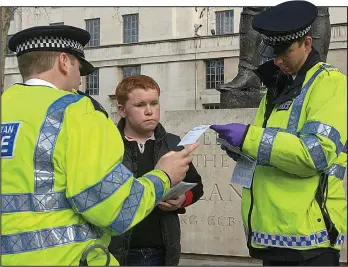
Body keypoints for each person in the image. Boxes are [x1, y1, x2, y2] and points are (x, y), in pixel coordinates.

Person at [1, 25, 199, 266]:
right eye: (79, 68)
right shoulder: (77, 112)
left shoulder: (7, 106)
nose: (79, 79)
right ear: (64, 61)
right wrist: (163, 176)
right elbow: (115, 210)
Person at [210, 1, 347, 266]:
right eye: (273, 52)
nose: (277, 60)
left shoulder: (330, 82)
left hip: (310, 238)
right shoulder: (276, 88)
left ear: (307, 44)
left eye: (286, 51)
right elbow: (272, 150)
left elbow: (315, 154)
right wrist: (240, 150)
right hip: (272, 236)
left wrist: (249, 137)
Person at [108, 74, 204, 266]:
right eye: (140, 105)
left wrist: (182, 199)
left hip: (162, 250)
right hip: (119, 251)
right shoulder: (108, 144)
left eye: (154, 103)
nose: (149, 111)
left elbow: (196, 186)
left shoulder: (173, 143)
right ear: (122, 110)